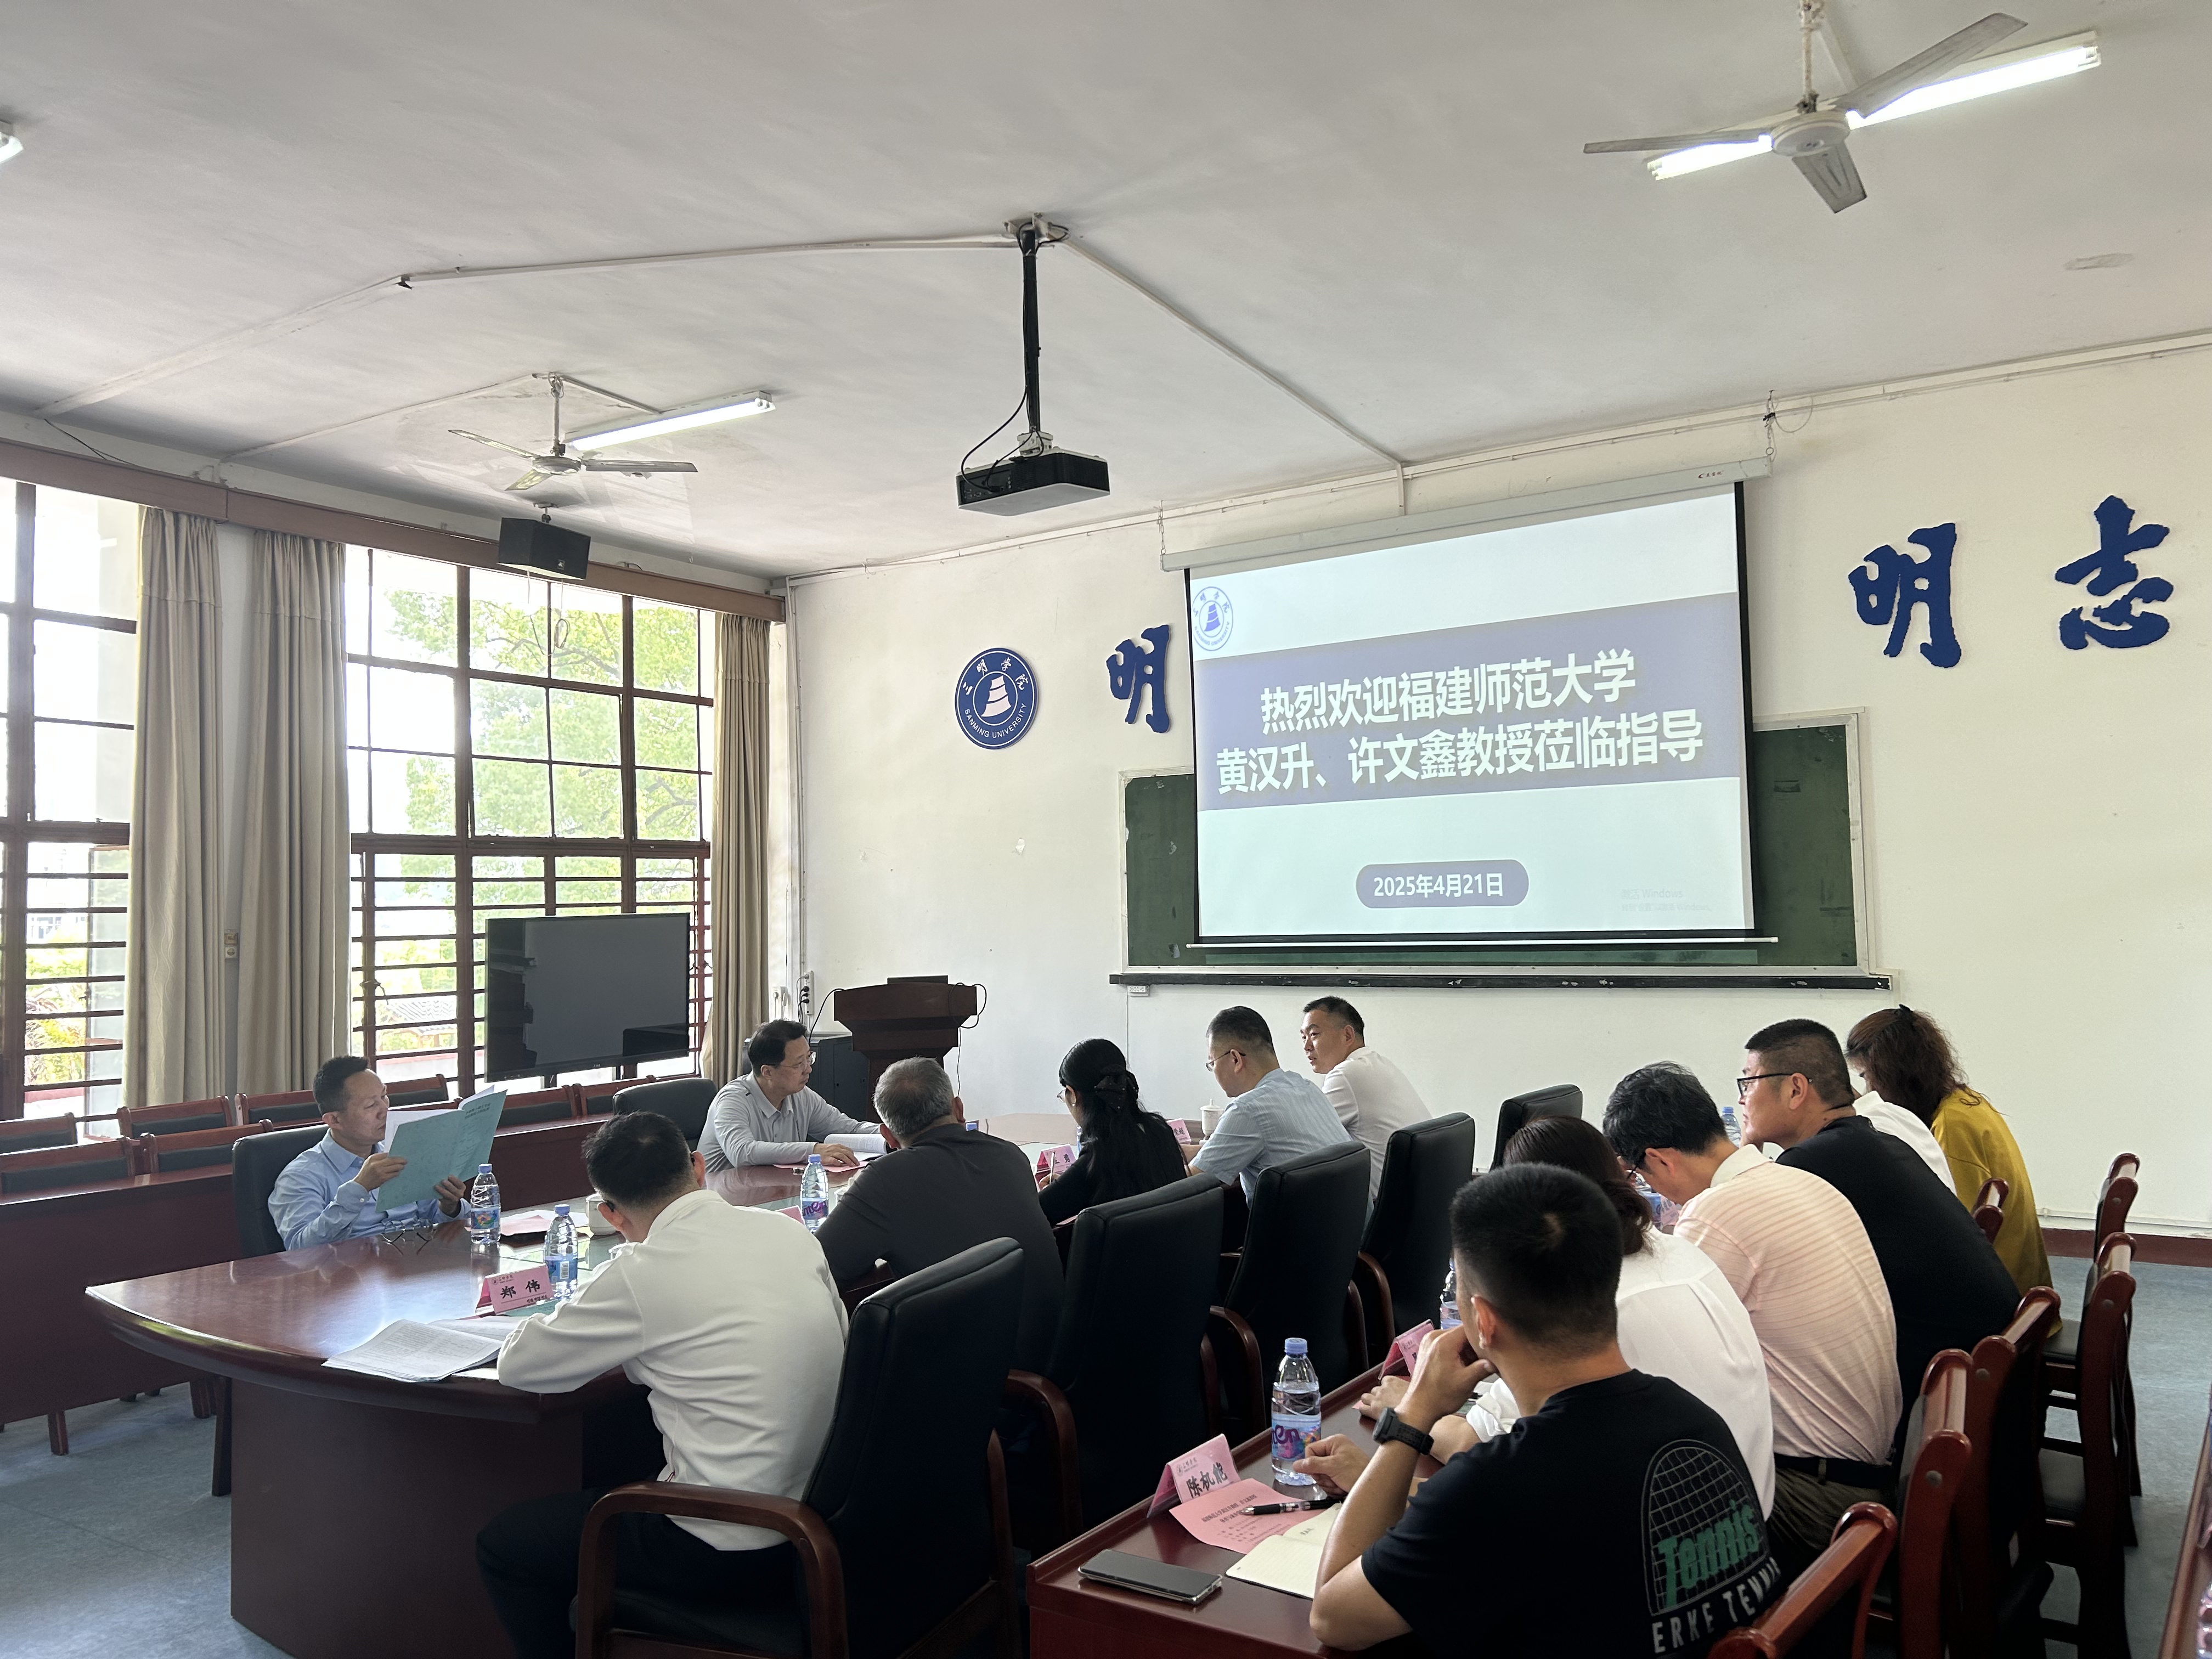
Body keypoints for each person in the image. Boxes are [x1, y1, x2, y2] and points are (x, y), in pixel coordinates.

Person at [1304, 1164, 1779, 1658]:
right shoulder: (1698, 1421)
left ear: (1483, 1321)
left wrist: (1414, 1413)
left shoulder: (1502, 1486)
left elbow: (1333, 1617)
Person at [476, 1111, 848, 1659]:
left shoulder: (639, 1273)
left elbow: (520, 1366)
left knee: (506, 1545)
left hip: (723, 1542)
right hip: (823, 1521)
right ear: (698, 1167)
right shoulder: (789, 1233)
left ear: (610, 1213)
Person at [1361, 1115, 1774, 1514]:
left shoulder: (1583, 1304)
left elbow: (1475, 1445)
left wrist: (1411, 1410)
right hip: (1741, 1513)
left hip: (1659, 1529)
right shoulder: (1679, 1250)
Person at [1604, 1062, 1899, 1578]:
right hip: (1869, 1470)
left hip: (1816, 1496)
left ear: (1659, 1160)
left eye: (1639, 1176)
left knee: (1614, 1485)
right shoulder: (1800, 1179)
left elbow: (1653, 1363)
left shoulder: (1714, 1215)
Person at [1741, 1019, 2021, 1414]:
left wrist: (1745, 1150)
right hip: (1983, 1363)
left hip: (1942, 1382)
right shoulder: (1870, 1139)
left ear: (1795, 1089)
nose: (1742, 1100)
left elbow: (1732, 1236)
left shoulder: (1814, 1163)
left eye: (1748, 1082)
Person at [814, 1057, 1064, 1372]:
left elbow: (818, 1268)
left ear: (888, 1137)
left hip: (970, 1379)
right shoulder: (1010, 1155)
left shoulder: (887, 1180)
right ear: (959, 1108)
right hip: (1049, 1357)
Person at [1845, 1005, 2051, 1294]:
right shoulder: (1965, 1100)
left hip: (2003, 1291)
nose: (1870, 1091)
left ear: (1895, 1074)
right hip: (2017, 1281)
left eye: (1868, 1077)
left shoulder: (1953, 1125)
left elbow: (1955, 1231)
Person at [267, 1055, 470, 1249]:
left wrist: (449, 1207)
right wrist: (360, 1188)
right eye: (371, 1105)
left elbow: (438, 1217)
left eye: (384, 1096)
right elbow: (301, 1249)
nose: (385, 1110)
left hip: (421, 1259)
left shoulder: (403, 1150)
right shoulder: (300, 1176)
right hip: (355, 1268)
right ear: (335, 1120)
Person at [1189, 1005, 1354, 1201]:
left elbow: (1190, 1182)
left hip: (1297, 1221)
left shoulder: (1247, 1109)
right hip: (1351, 1219)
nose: (1214, 1072)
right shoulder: (1308, 1089)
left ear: (1235, 1059)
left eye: (1213, 1063)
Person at [1038, 1037, 1188, 1225]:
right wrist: (1068, 1182)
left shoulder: (1098, 1158)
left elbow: (1035, 1214)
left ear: (1073, 1095)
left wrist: (1062, 1187)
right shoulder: (1160, 1132)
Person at [1299, 996, 1431, 1203]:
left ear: (1348, 1035)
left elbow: (1303, 1139)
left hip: (1385, 1209)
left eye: (1314, 1034)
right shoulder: (1378, 1064)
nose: (1307, 1047)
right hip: (1420, 1201)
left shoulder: (1346, 1074)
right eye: (1303, 1037)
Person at [700, 1019, 869, 1175]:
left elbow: (850, 1129)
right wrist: (812, 1151)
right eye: (799, 1064)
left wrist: (884, 1132)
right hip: (721, 1194)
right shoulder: (732, 1100)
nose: (808, 1069)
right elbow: (742, 1152)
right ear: (768, 1072)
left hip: (775, 1190)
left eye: (809, 1058)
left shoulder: (801, 1096)